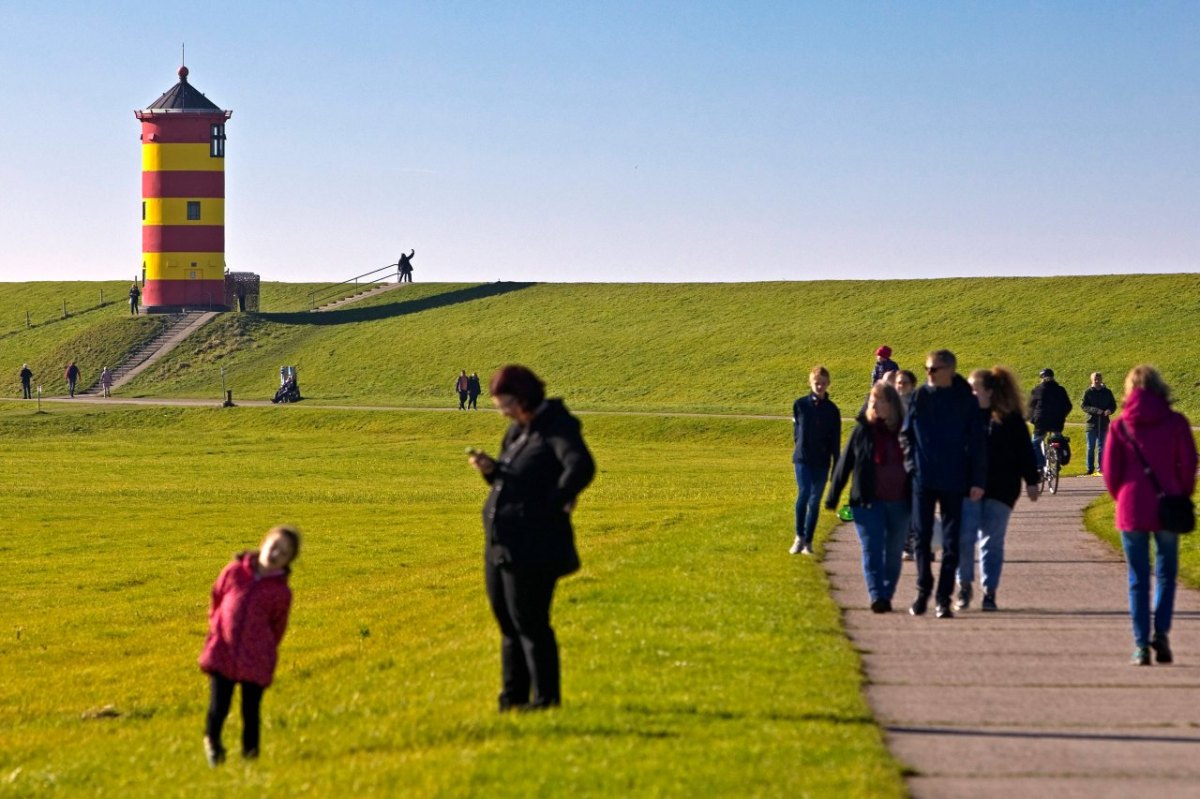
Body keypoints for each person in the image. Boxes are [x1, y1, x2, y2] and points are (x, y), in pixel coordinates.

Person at [467, 365, 596, 710]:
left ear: (524, 397)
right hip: (502, 545)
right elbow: (513, 481)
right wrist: (491, 471)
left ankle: (546, 700)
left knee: (531, 623)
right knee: (508, 623)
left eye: (506, 404)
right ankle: (512, 699)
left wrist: (554, 504)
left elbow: (580, 466)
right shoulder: (516, 433)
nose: (503, 412)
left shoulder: (557, 427)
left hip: (534, 546)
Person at [1103, 366, 1197, 666]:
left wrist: (1123, 498)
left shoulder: (1121, 426)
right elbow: (1189, 464)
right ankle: (1162, 632)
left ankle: (1141, 644)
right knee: (1167, 574)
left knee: (1138, 578)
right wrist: (1180, 494)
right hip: (1168, 503)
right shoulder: (1176, 422)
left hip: (1132, 508)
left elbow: (1111, 473)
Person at [198, 525, 300, 765]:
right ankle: (212, 743)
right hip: (223, 651)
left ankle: (250, 758)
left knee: (250, 712)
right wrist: (216, 628)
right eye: (274, 546)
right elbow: (217, 598)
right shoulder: (234, 572)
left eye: (283, 553)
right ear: (264, 542)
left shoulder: (280, 592)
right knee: (218, 706)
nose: (275, 554)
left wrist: (263, 648)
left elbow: (278, 627)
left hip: (256, 659)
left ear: (287, 561)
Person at [901, 349, 986, 619]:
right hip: (923, 479)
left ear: (949, 370)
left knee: (952, 542)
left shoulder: (965, 400)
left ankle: (943, 598)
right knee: (922, 539)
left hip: (954, 479)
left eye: (934, 369)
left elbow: (977, 443)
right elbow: (906, 436)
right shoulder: (919, 396)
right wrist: (912, 466)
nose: (928, 373)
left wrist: (976, 480)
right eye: (927, 368)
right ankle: (923, 590)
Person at [955, 367, 1039, 612]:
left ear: (989, 392)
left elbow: (1025, 451)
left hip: (1001, 488)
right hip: (968, 488)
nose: (970, 393)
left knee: (992, 541)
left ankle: (989, 591)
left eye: (974, 389)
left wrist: (1031, 481)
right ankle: (964, 586)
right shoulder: (963, 416)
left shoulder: (1009, 419)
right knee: (965, 538)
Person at [825, 382, 911, 612]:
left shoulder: (905, 430)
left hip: (900, 503)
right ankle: (876, 596)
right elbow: (845, 464)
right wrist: (833, 496)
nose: (874, 404)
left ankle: (886, 592)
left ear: (892, 404)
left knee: (893, 553)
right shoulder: (862, 430)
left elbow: (921, 465)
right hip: (867, 502)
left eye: (880, 399)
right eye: (872, 400)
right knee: (872, 548)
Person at [790, 366, 842, 555]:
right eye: (816, 383)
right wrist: (801, 448)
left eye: (823, 383)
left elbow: (835, 440)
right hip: (803, 458)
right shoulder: (800, 405)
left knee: (815, 500)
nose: (819, 386)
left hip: (822, 461)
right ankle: (799, 536)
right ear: (810, 383)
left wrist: (837, 464)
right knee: (803, 494)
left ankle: (808, 542)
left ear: (828, 384)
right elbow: (797, 433)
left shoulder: (832, 410)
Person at [1028, 368, 1072, 471]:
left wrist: (1032, 419)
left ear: (1041, 378)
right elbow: (1068, 405)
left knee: (1035, 443)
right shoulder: (1060, 389)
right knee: (1057, 438)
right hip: (1057, 421)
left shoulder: (1037, 389)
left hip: (1041, 421)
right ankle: (1057, 456)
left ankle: (1040, 464)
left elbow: (1030, 407)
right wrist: (1062, 415)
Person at [1081, 372, 1117, 476]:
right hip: (1091, 423)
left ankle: (1101, 468)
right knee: (1090, 447)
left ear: (1101, 380)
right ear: (1092, 380)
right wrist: (1097, 411)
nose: (1097, 381)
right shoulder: (1088, 392)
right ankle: (1089, 468)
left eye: (1098, 379)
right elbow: (1084, 406)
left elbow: (1113, 405)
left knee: (1102, 447)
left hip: (1104, 423)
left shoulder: (1107, 392)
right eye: (1095, 379)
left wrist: (1109, 410)